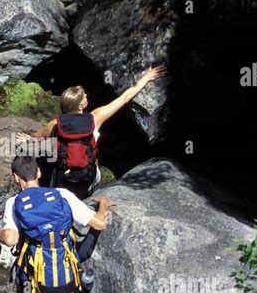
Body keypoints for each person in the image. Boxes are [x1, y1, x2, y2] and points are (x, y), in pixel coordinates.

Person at [0, 156, 115, 293]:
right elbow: (99, 224)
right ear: (39, 173)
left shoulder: (14, 203)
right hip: (68, 274)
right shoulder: (62, 194)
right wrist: (103, 204)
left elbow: (10, 240)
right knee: (77, 251)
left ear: (16, 177)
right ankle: (83, 285)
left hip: (34, 281)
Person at [17, 64, 167, 199]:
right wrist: (147, 77)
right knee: (92, 177)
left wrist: (28, 139)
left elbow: (39, 136)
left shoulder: (55, 124)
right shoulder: (95, 118)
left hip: (63, 179)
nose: (87, 96)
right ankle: (90, 195)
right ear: (81, 104)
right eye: (85, 96)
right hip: (89, 177)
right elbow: (125, 98)